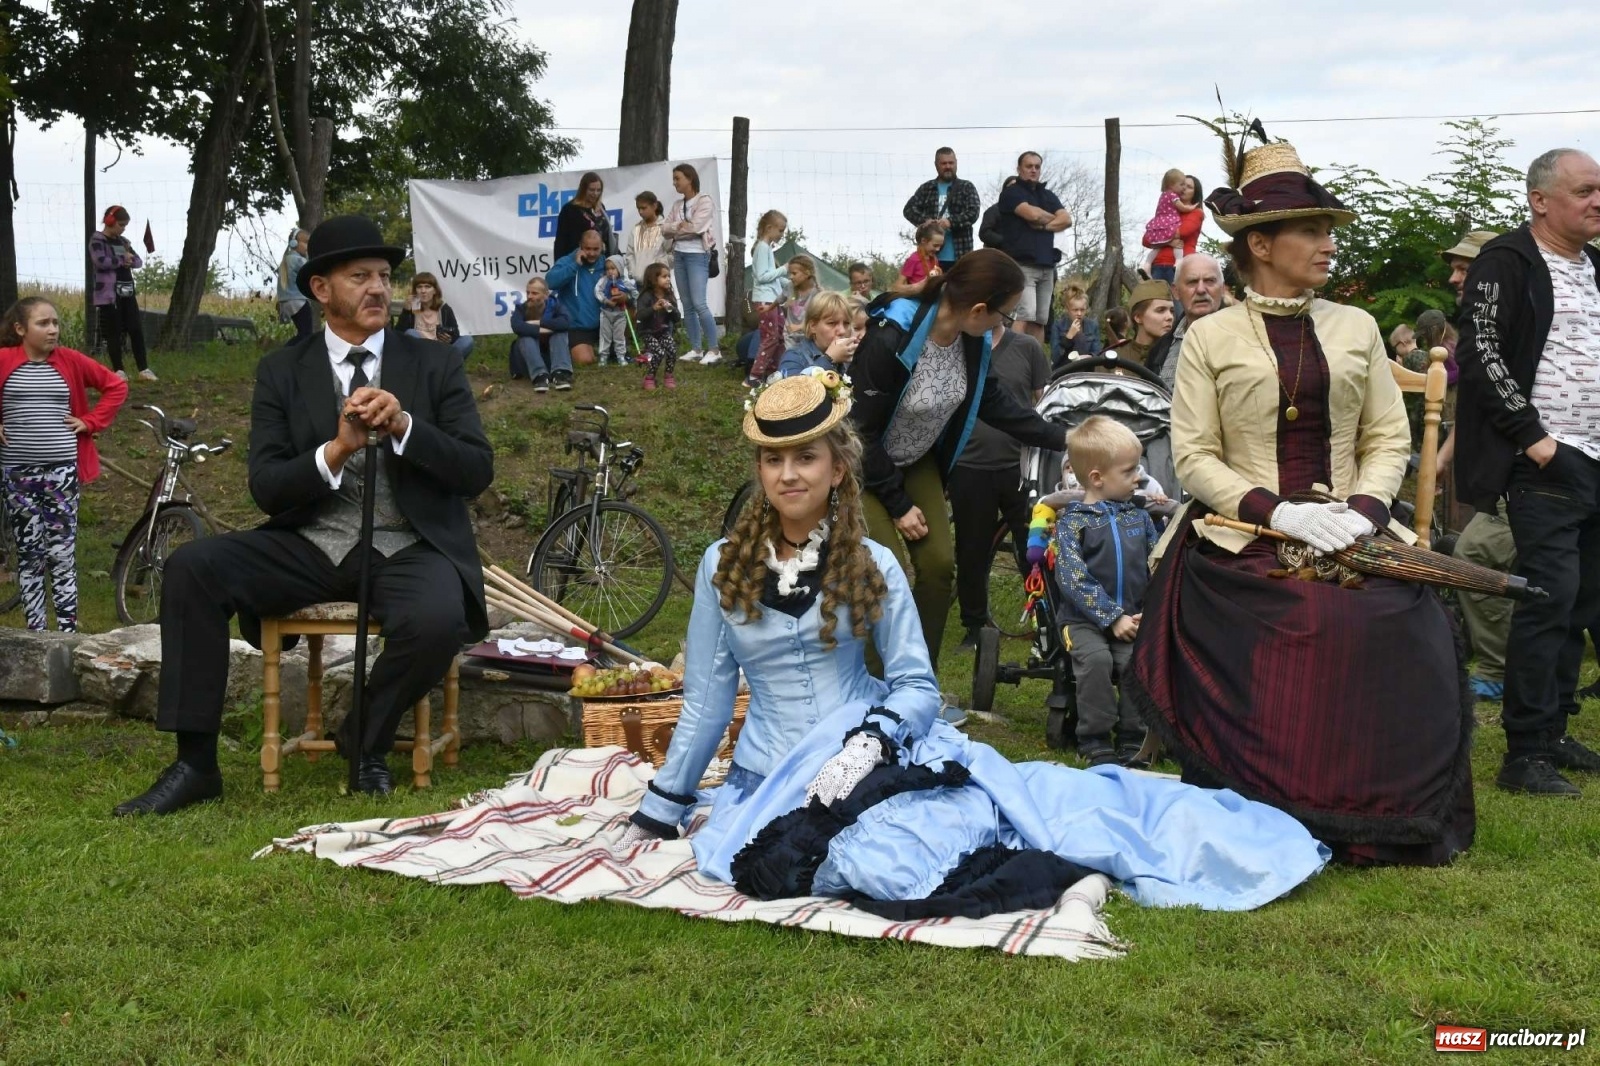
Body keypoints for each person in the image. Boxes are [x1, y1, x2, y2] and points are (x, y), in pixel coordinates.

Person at [619, 374, 1327, 915]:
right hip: (767, 778)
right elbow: (707, 701)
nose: (788, 475)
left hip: (870, 754)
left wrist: (871, 743)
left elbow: (916, 686)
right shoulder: (722, 564)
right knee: (828, 863)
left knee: (914, 854)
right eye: (773, 461)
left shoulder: (874, 562)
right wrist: (665, 803)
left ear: (839, 468)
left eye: (806, 457)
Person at [1129, 138, 1475, 867]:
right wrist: (1280, 514)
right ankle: (1274, 804)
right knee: (1305, 612)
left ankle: (1379, 812)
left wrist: (1361, 513)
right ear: (1260, 243)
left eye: (1328, 231)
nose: (1327, 245)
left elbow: (1387, 436)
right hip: (1239, 533)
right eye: (1311, 231)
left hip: (1352, 525)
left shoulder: (1357, 328)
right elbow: (1193, 456)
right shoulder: (1210, 336)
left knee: (1406, 616)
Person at [112, 214, 495, 816]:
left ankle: (362, 736)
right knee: (193, 567)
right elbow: (267, 487)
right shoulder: (281, 370)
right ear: (321, 289)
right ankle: (195, 765)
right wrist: (336, 449)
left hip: (410, 543)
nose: (378, 289)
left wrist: (404, 427)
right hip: (312, 542)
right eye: (359, 276)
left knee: (439, 619)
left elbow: (476, 470)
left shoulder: (434, 365)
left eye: (383, 276)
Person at [1456, 148, 1600, 797]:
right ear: (1541, 199)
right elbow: (1481, 353)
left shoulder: (1595, 265)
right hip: (1544, 461)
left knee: (1581, 601)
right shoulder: (1507, 260)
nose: (1597, 202)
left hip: (1596, 458)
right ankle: (1524, 753)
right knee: (1549, 598)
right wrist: (1536, 442)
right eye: (1585, 190)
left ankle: (1556, 729)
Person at [849, 248, 1068, 669]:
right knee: (885, 568)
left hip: (916, 460)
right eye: (1004, 315)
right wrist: (898, 504)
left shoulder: (971, 339)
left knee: (937, 566)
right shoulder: (892, 332)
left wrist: (1064, 438)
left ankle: (918, 679)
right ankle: (873, 685)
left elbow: (993, 401)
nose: (1005, 324)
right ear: (979, 308)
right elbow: (860, 431)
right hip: (862, 465)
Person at [0, 297, 127, 631]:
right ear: (20, 329)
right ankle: (36, 632)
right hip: (17, 475)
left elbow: (115, 385)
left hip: (61, 473)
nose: (53, 329)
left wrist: (91, 421)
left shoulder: (70, 360)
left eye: (55, 322)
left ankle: (68, 630)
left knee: (61, 552)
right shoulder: (4, 360)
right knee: (29, 552)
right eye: (43, 323)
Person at [1433, 229, 1515, 703]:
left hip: (1539, 473)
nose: (1454, 276)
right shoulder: (1479, 323)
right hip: (1508, 478)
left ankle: (1500, 667)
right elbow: (1476, 407)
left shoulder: (1513, 318)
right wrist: (1443, 458)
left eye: (1464, 268)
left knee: (1476, 555)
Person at [1052, 416, 1157, 765]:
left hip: (1130, 616)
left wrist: (1150, 607)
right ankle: (1095, 737)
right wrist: (1112, 616)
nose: (1139, 477)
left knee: (1133, 663)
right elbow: (1071, 578)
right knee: (1096, 660)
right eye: (1129, 471)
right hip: (1081, 621)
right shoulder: (1072, 523)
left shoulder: (1139, 519)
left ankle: (1133, 736)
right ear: (1097, 478)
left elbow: (1154, 564)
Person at [949, 316, 1049, 648]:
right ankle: (974, 625)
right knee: (972, 549)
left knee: (1033, 548)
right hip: (969, 466)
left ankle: (1043, 621)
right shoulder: (955, 346)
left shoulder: (1027, 347)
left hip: (1020, 467)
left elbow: (1042, 402)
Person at [997, 152, 1072, 342]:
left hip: (1047, 264)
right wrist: (1051, 218)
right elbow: (1033, 215)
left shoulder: (1047, 195)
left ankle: (1035, 361)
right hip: (1024, 264)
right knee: (1026, 314)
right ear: (1019, 169)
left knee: (1040, 320)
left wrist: (1045, 225)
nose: (1033, 170)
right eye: (1029, 166)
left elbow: (1067, 220)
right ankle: (1009, 357)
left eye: (1037, 166)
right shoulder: (1011, 193)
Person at [661, 163, 720, 366]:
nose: (674, 182)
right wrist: (680, 226)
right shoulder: (678, 205)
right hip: (679, 255)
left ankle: (714, 349)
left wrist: (678, 228)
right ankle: (696, 348)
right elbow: (664, 229)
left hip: (697, 256)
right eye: (674, 179)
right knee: (687, 304)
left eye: (678, 178)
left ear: (690, 179)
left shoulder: (704, 201)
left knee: (699, 302)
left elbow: (696, 227)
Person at [89, 206, 155, 382]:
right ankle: (119, 370)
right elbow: (100, 261)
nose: (123, 228)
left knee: (135, 329)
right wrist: (121, 260)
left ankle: (144, 369)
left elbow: (138, 261)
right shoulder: (98, 240)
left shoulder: (123, 242)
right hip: (109, 295)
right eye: (121, 224)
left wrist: (129, 260)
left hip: (127, 292)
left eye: (125, 225)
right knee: (114, 331)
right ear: (110, 221)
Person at [1145, 253, 1225, 393]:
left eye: (1210, 281)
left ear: (1222, 289)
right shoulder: (1160, 348)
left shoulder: (1244, 339)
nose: (1201, 289)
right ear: (1176, 292)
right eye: (1192, 282)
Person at [901, 147, 981, 268]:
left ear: (956, 163)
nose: (948, 166)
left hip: (961, 255)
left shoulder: (966, 187)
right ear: (936, 165)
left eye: (951, 163)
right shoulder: (926, 188)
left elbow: (973, 212)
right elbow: (908, 210)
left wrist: (950, 222)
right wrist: (925, 221)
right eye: (944, 163)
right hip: (930, 257)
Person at [545, 229, 606, 379]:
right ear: (580, 246)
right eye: (587, 248)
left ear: (602, 247)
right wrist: (575, 265)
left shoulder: (607, 263)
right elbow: (550, 282)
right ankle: (573, 349)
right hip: (577, 327)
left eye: (595, 249)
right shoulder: (568, 261)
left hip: (605, 325)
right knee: (585, 360)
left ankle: (607, 348)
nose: (591, 253)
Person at [748, 209, 790, 385]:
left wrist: (793, 281)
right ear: (769, 228)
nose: (782, 234)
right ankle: (755, 375)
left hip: (772, 299)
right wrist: (784, 269)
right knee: (770, 337)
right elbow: (763, 277)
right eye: (780, 230)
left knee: (780, 335)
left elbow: (775, 278)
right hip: (764, 299)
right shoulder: (762, 248)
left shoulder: (767, 249)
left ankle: (774, 373)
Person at [508, 276, 570, 393]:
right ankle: (539, 376)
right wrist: (543, 330)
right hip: (528, 360)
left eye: (534, 293)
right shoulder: (521, 308)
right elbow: (517, 326)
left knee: (560, 333)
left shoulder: (556, 306)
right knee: (526, 337)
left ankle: (560, 374)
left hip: (551, 356)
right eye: (528, 293)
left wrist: (539, 322)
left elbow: (565, 323)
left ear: (546, 295)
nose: (530, 296)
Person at [777, 291, 858, 378]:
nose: (842, 331)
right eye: (832, 323)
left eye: (846, 323)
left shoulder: (850, 357)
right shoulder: (794, 357)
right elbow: (793, 390)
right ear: (813, 326)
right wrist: (829, 360)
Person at [1141, 172, 1204, 283]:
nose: (1184, 188)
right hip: (1157, 265)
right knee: (1157, 300)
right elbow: (1146, 240)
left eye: (1189, 187)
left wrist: (1159, 238)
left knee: (1177, 300)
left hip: (1182, 266)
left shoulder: (1196, 213)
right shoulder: (1166, 213)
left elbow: (1183, 232)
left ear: (1195, 193)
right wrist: (1168, 243)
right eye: (1182, 184)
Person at [397, 273, 473, 359]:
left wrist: (449, 339)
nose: (423, 291)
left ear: (434, 291)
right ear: (415, 290)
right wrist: (406, 311)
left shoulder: (444, 308)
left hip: (440, 349)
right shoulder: (414, 307)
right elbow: (399, 334)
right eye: (419, 287)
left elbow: (455, 332)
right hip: (421, 352)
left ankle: (441, 364)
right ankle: (441, 365)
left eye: (427, 287)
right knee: (410, 333)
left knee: (467, 340)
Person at [1107, 279, 1174, 367]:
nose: (1170, 317)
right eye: (1160, 310)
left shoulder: (1177, 355)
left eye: (1172, 311)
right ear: (1138, 317)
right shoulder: (1115, 357)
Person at [636, 263, 681, 391]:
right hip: (648, 332)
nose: (668, 279)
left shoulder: (669, 296)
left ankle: (669, 375)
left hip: (663, 331)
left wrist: (671, 309)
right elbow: (640, 315)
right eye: (664, 276)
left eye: (669, 276)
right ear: (653, 279)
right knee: (658, 352)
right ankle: (650, 377)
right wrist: (653, 308)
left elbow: (677, 318)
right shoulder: (645, 296)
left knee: (672, 349)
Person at [553, 172, 614, 261]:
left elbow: (607, 236)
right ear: (583, 189)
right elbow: (561, 241)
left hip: (601, 261)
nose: (595, 193)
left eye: (598, 190)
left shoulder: (601, 208)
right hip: (578, 260)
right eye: (592, 190)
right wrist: (559, 265)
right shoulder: (569, 209)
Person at [594, 255, 637, 367]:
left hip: (620, 313)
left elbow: (635, 293)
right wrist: (606, 301)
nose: (610, 272)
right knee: (605, 335)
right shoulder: (603, 280)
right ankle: (603, 356)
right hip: (606, 312)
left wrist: (627, 297)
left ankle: (621, 356)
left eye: (613, 268)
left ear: (620, 268)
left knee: (619, 336)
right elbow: (597, 291)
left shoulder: (625, 281)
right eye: (607, 269)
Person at [1049, 284, 1102, 367]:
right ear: (1067, 309)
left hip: (1085, 370)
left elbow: (1097, 353)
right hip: (1064, 371)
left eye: (1082, 310)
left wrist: (1090, 357)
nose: (1079, 313)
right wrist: (1068, 337)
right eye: (1075, 310)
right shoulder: (1058, 326)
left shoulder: (1092, 326)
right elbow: (1055, 358)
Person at [625, 191, 671, 281]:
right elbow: (629, 254)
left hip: (659, 282)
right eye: (638, 209)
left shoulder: (665, 227)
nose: (640, 212)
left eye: (643, 208)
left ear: (654, 206)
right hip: (640, 282)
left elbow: (672, 254)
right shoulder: (636, 230)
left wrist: (659, 269)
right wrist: (633, 272)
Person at [277, 228, 313, 342]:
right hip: (297, 300)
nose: (308, 247)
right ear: (294, 243)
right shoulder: (296, 260)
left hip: (289, 301)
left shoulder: (288, 259)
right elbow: (310, 269)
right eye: (306, 243)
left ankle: (290, 353)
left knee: (303, 332)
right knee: (306, 333)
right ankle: (286, 353)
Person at [893, 221, 945, 297]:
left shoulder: (935, 260)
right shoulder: (913, 259)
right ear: (923, 241)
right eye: (935, 245)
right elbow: (897, 287)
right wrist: (917, 287)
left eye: (940, 246)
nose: (938, 249)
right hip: (915, 300)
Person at [781, 255, 820, 352]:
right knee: (792, 358)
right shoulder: (790, 288)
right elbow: (780, 299)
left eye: (794, 273)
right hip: (790, 336)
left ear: (807, 273)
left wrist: (799, 327)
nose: (790, 277)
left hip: (808, 337)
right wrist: (769, 308)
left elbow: (820, 319)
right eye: (790, 274)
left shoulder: (817, 294)